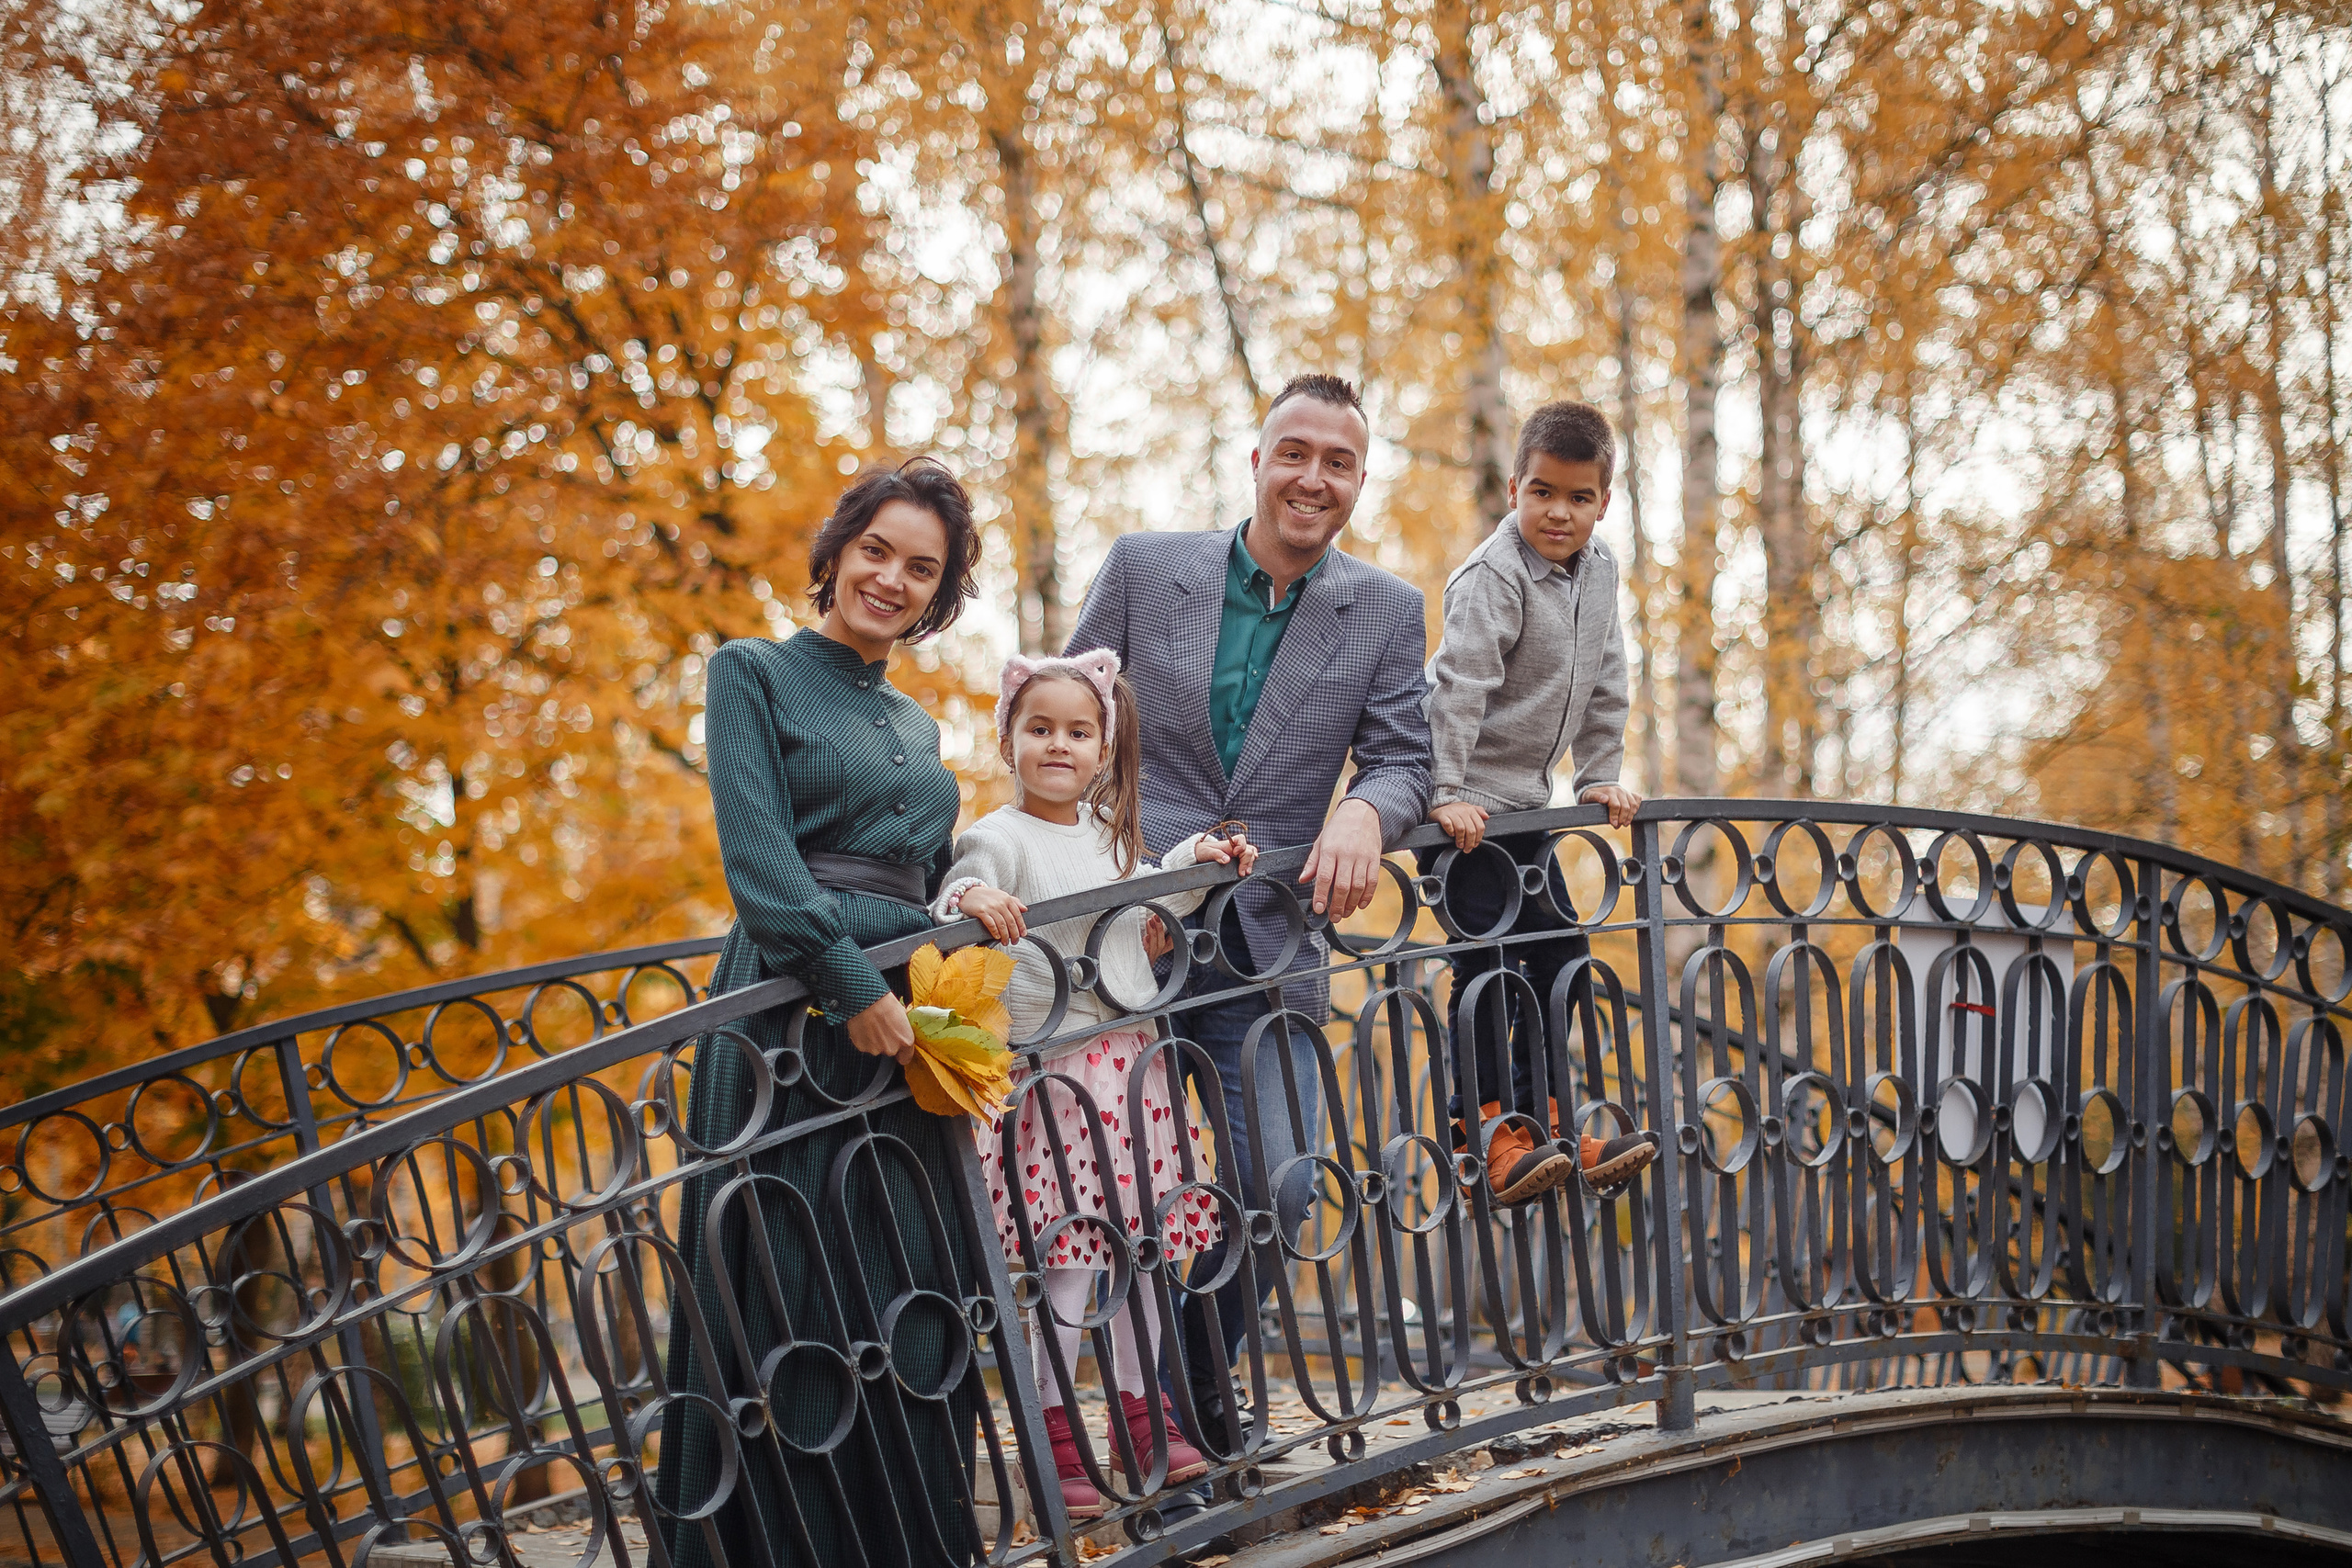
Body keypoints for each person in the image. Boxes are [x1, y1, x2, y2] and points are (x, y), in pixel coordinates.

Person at [1064, 372, 1432, 1458]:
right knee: (1104, 1193)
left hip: (1267, 941)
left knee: (1282, 1183)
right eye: (1295, 454)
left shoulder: (1385, 610)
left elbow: (1406, 760)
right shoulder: (1145, 569)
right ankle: (1108, 1425)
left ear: (1358, 480)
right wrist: (1110, 874)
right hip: (1127, 936)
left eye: (1339, 463)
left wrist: (1365, 809)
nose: (1313, 479)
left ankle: (1176, 1396)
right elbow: (1064, 721)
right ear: (1258, 461)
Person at [654, 457, 983, 1568]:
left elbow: (926, 871)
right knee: (790, 1284)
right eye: (876, 551)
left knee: (907, 1281)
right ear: (837, 553)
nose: (891, 579)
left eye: (921, 569)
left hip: (907, 1026)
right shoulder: (749, 672)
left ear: (938, 597)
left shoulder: (918, 726)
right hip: (792, 1018)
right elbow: (759, 865)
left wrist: (961, 907)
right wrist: (851, 989)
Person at [933, 649, 1260, 1518]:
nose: (1059, 745)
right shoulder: (1000, 836)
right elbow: (956, 889)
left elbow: (1154, 896)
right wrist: (972, 900)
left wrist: (1197, 855)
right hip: (1058, 1082)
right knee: (1071, 1262)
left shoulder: (1110, 836)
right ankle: (1056, 1433)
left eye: (1079, 732)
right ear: (1009, 739)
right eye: (1039, 728)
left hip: (1133, 1076)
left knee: (1145, 1252)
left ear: (1102, 749)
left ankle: (1141, 1418)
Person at [1421, 400, 1660, 1206]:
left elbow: (1607, 677)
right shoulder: (1494, 576)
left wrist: (1597, 774)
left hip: (1526, 810)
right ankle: (1486, 1136)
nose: (1559, 512)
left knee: (1563, 956)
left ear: (1604, 501)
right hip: (1463, 816)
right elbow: (1458, 688)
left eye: (1579, 497)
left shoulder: (1600, 572)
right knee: (1487, 966)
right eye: (1543, 492)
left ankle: (1549, 1124)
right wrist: (1445, 792)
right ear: (1514, 489)